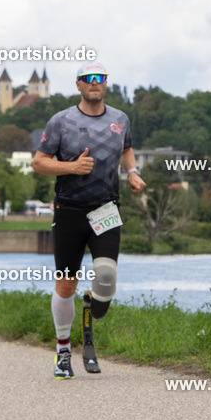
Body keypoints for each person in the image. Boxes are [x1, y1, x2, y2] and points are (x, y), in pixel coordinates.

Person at [33, 63, 145, 379]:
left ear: (105, 85)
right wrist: (72, 168)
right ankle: (63, 352)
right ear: (79, 85)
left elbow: (127, 149)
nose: (95, 84)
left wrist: (133, 172)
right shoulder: (61, 121)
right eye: (89, 79)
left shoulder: (120, 119)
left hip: (106, 210)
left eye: (101, 79)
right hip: (68, 211)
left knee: (106, 275)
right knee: (66, 284)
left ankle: (94, 307)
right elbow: (39, 163)